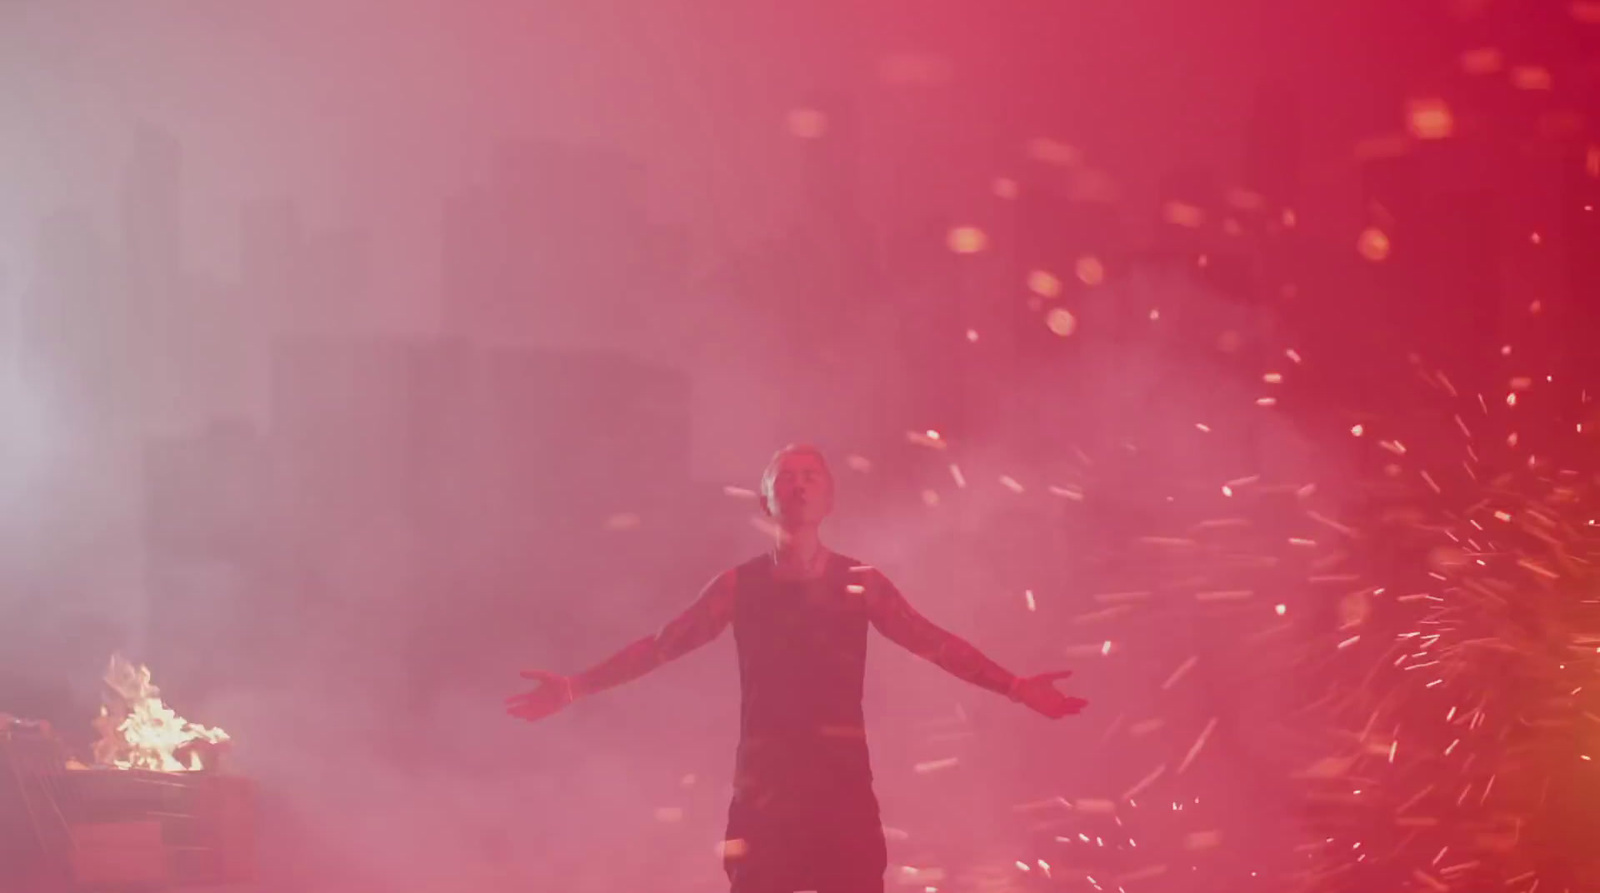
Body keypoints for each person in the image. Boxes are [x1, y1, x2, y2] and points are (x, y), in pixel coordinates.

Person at [507, 445, 1086, 893]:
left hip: (843, 795)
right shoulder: (740, 586)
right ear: (766, 500)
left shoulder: (860, 583)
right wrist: (577, 685)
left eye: (811, 474)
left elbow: (931, 640)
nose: (799, 482)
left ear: (829, 498)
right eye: (786, 475)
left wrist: (1014, 687)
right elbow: (663, 645)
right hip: (764, 798)